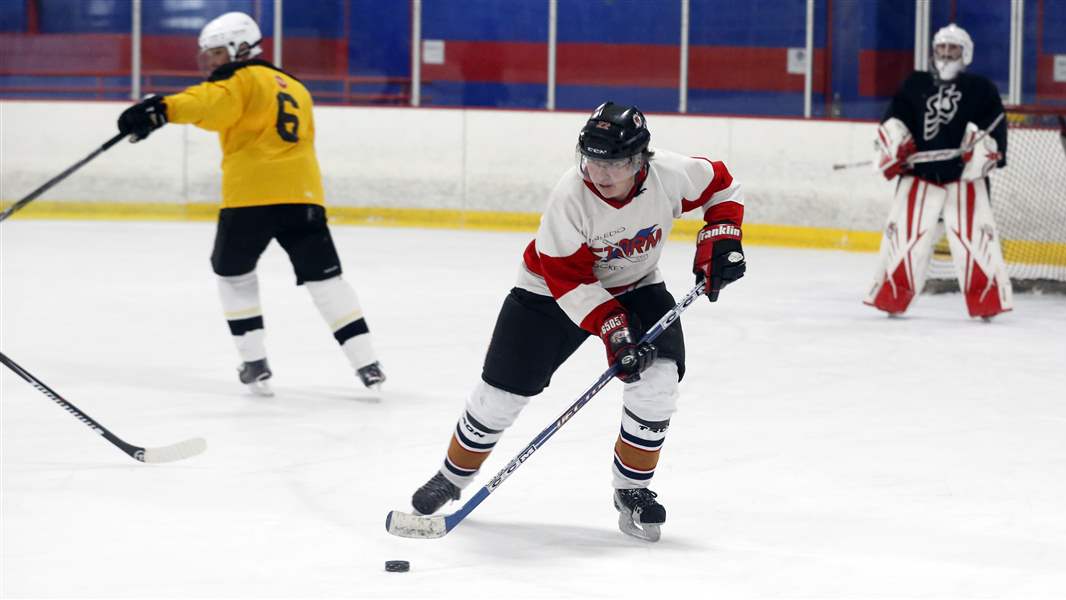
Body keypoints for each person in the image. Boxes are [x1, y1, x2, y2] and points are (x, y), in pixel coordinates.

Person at [405, 101, 746, 542]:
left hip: (636, 285)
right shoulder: (570, 197)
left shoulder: (673, 175)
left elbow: (724, 186)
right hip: (547, 292)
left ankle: (633, 490)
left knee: (658, 383)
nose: (600, 174)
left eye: (616, 163)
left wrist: (720, 238)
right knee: (499, 396)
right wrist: (615, 332)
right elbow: (568, 280)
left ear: (642, 159)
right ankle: (452, 476)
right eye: (592, 161)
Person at [116, 12, 385, 395]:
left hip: (250, 198)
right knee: (326, 280)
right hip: (303, 197)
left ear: (239, 48)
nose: (210, 61)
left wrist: (161, 109)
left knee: (233, 275)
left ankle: (254, 361)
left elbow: (209, 104)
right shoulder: (296, 86)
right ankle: (367, 363)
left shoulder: (238, 80)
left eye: (214, 53)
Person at [865, 23, 1013, 319]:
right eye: (941, 48)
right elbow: (893, 122)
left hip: (964, 180)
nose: (946, 54)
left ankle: (987, 303)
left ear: (965, 53)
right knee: (905, 240)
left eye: (953, 48)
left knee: (975, 242)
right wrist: (895, 149)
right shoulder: (915, 84)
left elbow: (995, 134)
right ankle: (892, 298)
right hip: (919, 175)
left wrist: (981, 152)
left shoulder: (981, 89)